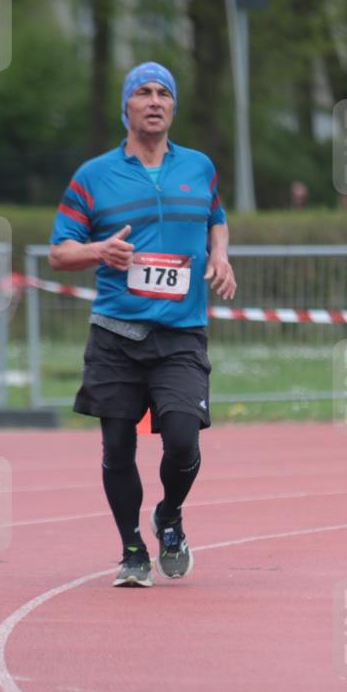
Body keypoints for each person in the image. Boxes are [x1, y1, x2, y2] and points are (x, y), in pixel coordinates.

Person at [48, 62, 236, 587]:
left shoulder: (199, 167)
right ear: (126, 107)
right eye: (144, 92)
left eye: (164, 93)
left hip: (180, 334)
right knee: (117, 447)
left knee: (183, 440)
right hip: (116, 334)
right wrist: (98, 250)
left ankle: (169, 516)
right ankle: (132, 549)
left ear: (173, 106)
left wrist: (220, 255)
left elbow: (216, 218)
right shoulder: (93, 176)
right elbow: (59, 253)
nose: (155, 101)